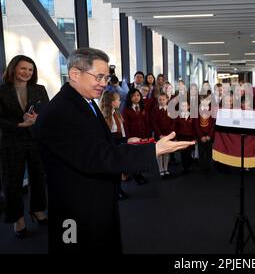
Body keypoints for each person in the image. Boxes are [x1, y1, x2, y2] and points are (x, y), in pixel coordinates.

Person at [34, 48, 194, 253]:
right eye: (99, 77)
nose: (104, 83)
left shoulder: (84, 102)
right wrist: (151, 150)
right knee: (72, 247)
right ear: (74, 74)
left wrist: (128, 141)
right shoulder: (60, 112)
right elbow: (96, 156)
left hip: (94, 201)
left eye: (106, 77)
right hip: (74, 211)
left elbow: (100, 144)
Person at [0, 55, 49, 238]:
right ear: (13, 69)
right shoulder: (2, 91)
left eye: (30, 69)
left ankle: (38, 211)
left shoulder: (39, 89)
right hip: (11, 140)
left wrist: (37, 119)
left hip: (35, 138)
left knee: (38, 177)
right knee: (12, 182)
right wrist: (18, 125)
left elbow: (47, 111)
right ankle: (17, 218)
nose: (27, 72)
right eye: (23, 68)